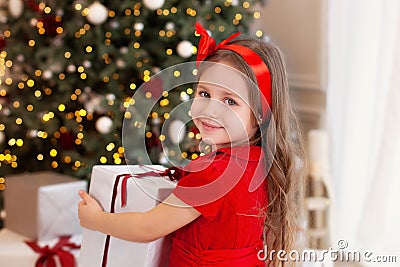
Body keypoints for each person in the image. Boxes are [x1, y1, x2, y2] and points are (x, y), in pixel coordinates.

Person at [78, 22, 307, 267]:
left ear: (261, 114)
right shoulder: (261, 158)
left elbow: (148, 227)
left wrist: (96, 219)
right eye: (205, 94)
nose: (210, 110)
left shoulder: (213, 173)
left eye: (230, 101)